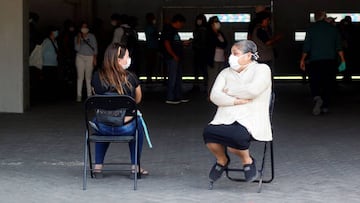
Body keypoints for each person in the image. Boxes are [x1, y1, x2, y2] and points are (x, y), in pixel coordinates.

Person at [203, 40, 272, 184]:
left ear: (248, 56)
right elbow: (214, 95)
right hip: (225, 116)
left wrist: (229, 91)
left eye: (235, 54)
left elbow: (253, 91)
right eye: (231, 53)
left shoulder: (262, 69)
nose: (231, 57)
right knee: (209, 133)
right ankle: (222, 159)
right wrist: (235, 101)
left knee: (237, 136)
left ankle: (247, 160)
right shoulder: (225, 72)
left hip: (251, 117)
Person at [91, 43, 148, 178]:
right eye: (127, 56)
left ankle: (98, 167)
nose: (129, 59)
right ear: (118, 59)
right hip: (126, 127)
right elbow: (137, 100)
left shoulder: (96, 76)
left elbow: (95, 97)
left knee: (100, 122)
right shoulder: (131, 77)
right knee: (138, 123)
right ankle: (135, 166)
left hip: (102, 127)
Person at [300, 10, 345, 115]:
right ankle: (325, 105)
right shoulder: (333, 29)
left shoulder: (311, 29)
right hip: (330, 61)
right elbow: (339, 47)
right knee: (328, 83)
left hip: (315, 61)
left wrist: (302, 59)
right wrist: (343, 60)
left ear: (315, 18)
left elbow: (306, 46)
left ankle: (317, 97)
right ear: (325, 17)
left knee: (315, 81)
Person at [161, 14, 190, 104]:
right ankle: (170, 97)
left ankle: (178, 95)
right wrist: (173, 55)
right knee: (172, 77)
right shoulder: (168, 30)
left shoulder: (174, 31)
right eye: (181, 24)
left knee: (177, 77)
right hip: (172, 57)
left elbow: (174, 42)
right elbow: (167, 43)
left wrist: (182, 44)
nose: (182, 26)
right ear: (177, 22)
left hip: (176, 57)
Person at [74, 21, 98, 102]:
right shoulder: (77, 36)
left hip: (90, 57)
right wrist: (78, 39)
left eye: (86, 27)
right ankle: (79, 96)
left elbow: (95, 48)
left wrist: (95, 58)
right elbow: (76, 48)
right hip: (80, 56)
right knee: (80, 77)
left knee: (88, 77)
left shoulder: (92, 36)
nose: (84, 29)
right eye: (83, 27)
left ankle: (89, 95)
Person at [206, 16, 227, 95]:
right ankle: (210, 94)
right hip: (213, 59)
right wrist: (220, 44)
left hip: (221, 58)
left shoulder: (220, 33)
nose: (217, 23)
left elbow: (225, 43)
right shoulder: (209, 34)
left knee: (220, 77)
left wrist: (220, 45)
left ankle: (218, 93)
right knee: (212, 77)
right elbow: (216, 43)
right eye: (215, 22)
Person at [41, 26, 61, 100]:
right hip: (46, 64)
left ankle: (51, 97)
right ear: (52, 32)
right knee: (47, 81)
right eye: (56, 31)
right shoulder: (46, 41)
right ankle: (46, 97)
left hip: (54, 64)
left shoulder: (55, 41)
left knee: (53, 81)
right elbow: (41, 52)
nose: (57, 33)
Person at [192, 13, 208, 91]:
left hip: (202, 52)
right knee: (198, 69)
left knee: (202, 69)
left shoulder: (204, 30)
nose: (198, 21)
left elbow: (202, 41)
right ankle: (198, 85)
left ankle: (204, 85)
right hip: (199, 51)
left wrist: (194, 42)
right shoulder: (197, 29)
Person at [144, 12, 159, 83]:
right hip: (150, 48)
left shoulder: (151, 27)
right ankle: (149, 78)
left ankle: (150, 78)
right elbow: (155, 35)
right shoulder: (149, 27)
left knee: (152, 64)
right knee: (150, 64)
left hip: (152, 47)